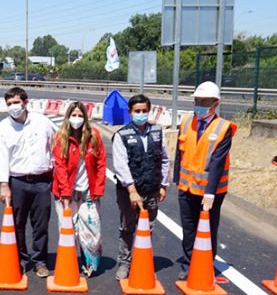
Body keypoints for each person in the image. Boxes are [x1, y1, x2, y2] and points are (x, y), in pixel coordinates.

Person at [174, 81, 236, 280]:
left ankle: (206, 265)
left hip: (210, 192)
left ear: (215, 103)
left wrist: (210, 192)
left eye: (205, 101)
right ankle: (188, 264)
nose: (200, 104)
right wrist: (176, 179)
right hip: (186, 186)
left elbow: (218, 162)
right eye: (197, 100)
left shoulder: (223, 128)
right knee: (189, 228)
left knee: (208, 229)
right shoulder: (185, 122)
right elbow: (179, 153)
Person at [0, 86, 56, 278]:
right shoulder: (3, 127)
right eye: (9, 104)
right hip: (17, 181)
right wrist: (4, 185)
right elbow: (0, 157)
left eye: (16, 103)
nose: (13, 107)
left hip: (42, 181)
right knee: (17, 223)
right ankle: (19, 259)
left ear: (25, 103)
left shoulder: (42, 122)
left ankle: (39, 261)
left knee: (41, 224)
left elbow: (55, 144)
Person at [112, 94, 170, 280]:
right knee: (127, 228)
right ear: (130, 112)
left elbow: (165, 159)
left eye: (144, 111)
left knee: (147, 228)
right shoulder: (122, 135)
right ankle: (124, 262)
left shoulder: (157, 133)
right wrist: (132, 191)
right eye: (137, 111)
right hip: (129, 193)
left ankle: (141, 261)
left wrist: (163, 185)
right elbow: (120, 165)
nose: (141, 114)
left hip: (151, 190)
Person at [52, 101, 106, 277]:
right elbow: (59, 167)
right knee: (68, 229)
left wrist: (97, 190)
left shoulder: (94, 136)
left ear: (85, 117)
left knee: (92, 230)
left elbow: (101, 164)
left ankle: (90, 263)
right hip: (65, 193)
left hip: (88, 193)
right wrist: (65, 193)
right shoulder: (61, 137)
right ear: (68, 117)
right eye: (73, 115)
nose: (77, 119)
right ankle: (69, 264)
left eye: (80, 115)